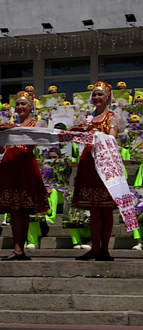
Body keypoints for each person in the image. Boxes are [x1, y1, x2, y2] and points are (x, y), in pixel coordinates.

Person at [0, 91, 49, 261]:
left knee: (24, 209)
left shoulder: (36, 125)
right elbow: (2, 150)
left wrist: (14, 132)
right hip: (10, 166)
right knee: (14, 210)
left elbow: (29, 147)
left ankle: (20, 248)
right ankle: (17, 248)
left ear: (31, 106)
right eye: (18, 104)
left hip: (25, 167)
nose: (20, 107)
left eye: (24, 104)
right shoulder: (9, 125)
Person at [71, 81, 123, 261]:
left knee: (106, 209)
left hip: (105, 163)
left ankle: (105, 249)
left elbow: (111, 139)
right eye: (94, 94)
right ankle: (95, 248)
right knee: (94, 209)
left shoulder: (113, 117)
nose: (97, 97)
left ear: (108, 97)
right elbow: (78, 138)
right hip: (88, 164)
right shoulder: (85, 119)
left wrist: (93, 134)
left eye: (100, 94)